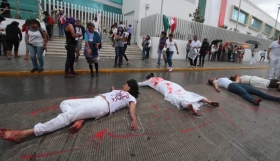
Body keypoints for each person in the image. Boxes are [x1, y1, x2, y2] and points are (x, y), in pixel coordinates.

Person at [0, 79, 139, 143]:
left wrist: (134, 119)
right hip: (95, 99)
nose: (123, 84)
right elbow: (114, 91)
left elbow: (132, 109)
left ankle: (26, 133)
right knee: (65, 103)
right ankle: (80, 119)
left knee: (68, 115)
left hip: (103, 106)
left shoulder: (131, 97)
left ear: (130, 87)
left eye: (125, 84)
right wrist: (113, 89)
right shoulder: (120, 91)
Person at [138, 73, 219, 116]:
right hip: (172, 84)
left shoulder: (149, 81)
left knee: (173, 97)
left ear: (148, 78)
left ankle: (187, 104)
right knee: (187, 93)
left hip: (166, 88)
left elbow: (140, 84)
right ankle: (208, 101)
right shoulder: (159, 78)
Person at [208, 77, 280, 106]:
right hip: (230, 86)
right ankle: (253, 101)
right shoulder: (215, 81)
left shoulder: (221, 78)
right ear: (211, 81)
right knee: (243, 93)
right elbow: (215, 85)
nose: (212, 78)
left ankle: (277, 99)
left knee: (258, 92)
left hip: (236, 84)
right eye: (211, 79)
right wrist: (217, 88)